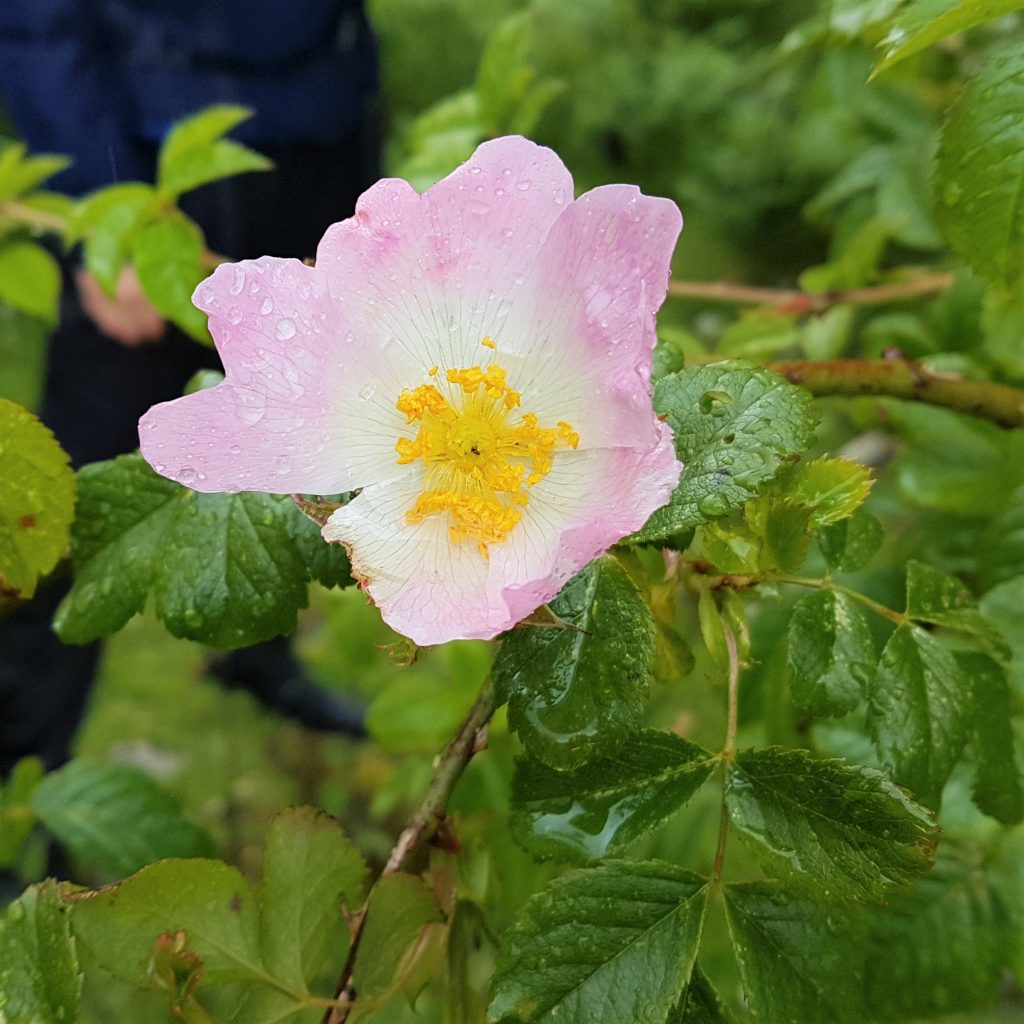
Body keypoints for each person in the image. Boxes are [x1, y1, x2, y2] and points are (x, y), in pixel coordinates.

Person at [0, 0, 379, 778]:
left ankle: (259, 659)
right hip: (149, 157)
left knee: (291, 435)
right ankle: (18, 777)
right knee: (77, 505)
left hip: (323, 131)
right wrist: (99, 193)